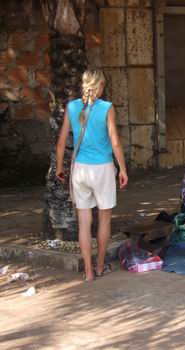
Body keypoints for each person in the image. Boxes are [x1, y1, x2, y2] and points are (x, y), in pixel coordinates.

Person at [56, 69, 128, 281]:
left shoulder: (71, 107)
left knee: (84, 222)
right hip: (103, 169)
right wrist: (122, 168)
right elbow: (115, 141)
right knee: (104, 220)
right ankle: (99, 266)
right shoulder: (106, 108)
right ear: (100, 86)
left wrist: (60, 167)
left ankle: (87, 272)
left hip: (79, 169)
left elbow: (61, 141)